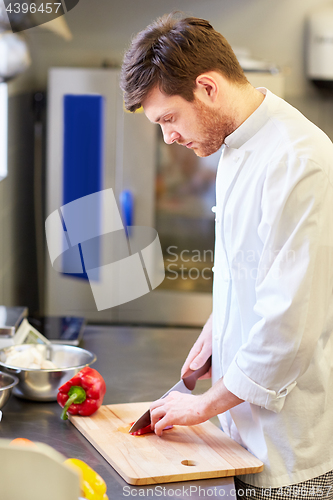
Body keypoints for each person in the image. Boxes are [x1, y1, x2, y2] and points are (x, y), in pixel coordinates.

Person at [120, 13, 333, 499]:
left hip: (285, 459)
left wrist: (203, 406)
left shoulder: (299, 161)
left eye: (169, 118)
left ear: (208, 87)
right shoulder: (237, 142)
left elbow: (291, 325)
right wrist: (219, 329)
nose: (168, 138)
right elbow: (252, 268)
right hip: (236, 435)